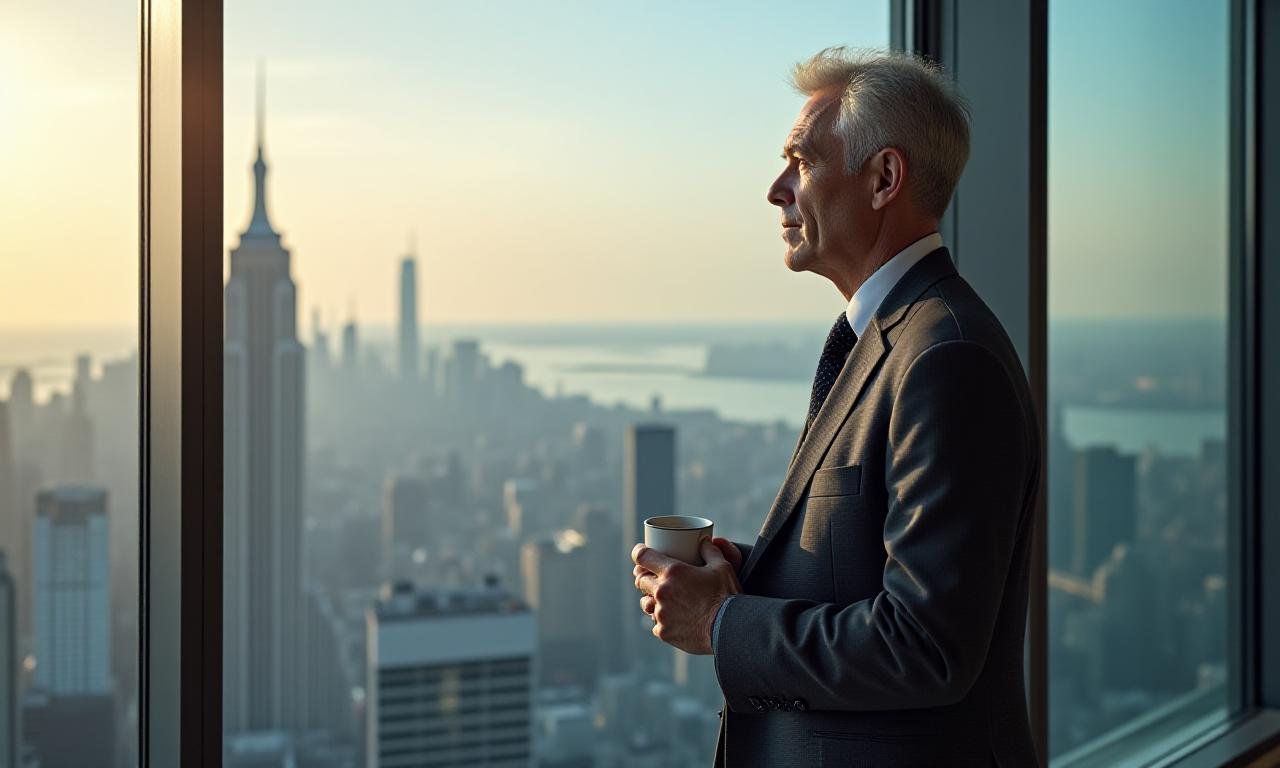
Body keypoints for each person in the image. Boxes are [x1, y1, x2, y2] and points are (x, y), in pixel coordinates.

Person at [631, 47, 1040, 767]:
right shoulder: (889, 338)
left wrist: (722, 623)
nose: (776, 190)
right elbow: (868, 569)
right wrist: (747, 573)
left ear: (884, 178)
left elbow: (926, 646)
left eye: (802, 161)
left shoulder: (945, 357)